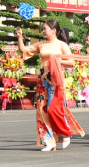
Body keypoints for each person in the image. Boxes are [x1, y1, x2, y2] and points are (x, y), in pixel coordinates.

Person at [17, 20, 84, 151]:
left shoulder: (61, 45)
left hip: (55, 80)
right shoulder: (41, 45)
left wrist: (57, 59)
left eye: (45, 29)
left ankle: (65, 133)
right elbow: (24, 50)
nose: (43, 31)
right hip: (42, 80)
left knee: (54, 109)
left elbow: (71, 62)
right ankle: (49, 141)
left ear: (53, 30)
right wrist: (19, 37)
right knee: (42, 111)